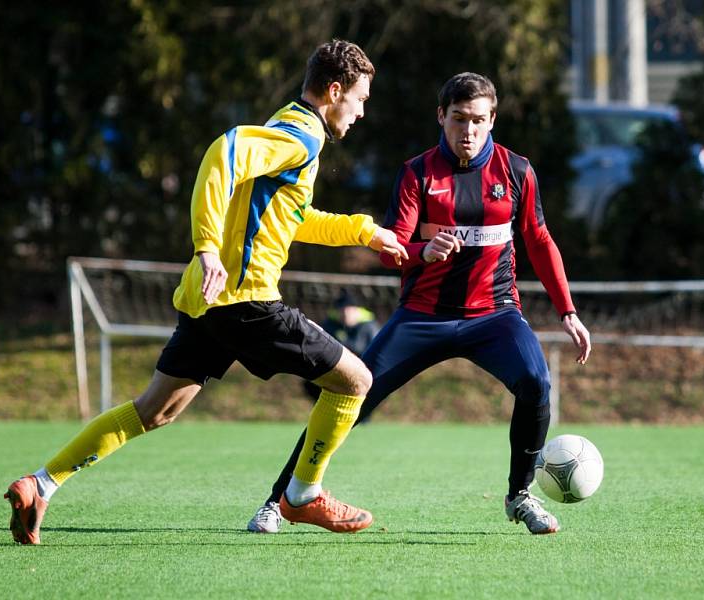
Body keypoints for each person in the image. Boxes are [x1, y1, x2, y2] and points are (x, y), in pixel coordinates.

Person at [3, 39, 408, 545]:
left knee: (156, 409)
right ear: (334, 90)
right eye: (361, 98)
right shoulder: (302, 136)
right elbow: (225, 152)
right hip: (248, 301)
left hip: (209, 301)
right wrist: (207, 248)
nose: (363, 111)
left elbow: (292, 218)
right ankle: (302, 495)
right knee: (354, 381)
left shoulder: (287, 123)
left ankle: (40, 484)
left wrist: (363, 231)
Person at [247, 72, 591, 535]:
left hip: (494, 316)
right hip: (422, 317)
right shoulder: (418, 173)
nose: (467, 130)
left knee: (536, 381)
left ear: (493, 120)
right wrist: (419, 253)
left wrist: (567, 311)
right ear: (440, 117)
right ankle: (278, 499)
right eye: (458, 119)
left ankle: (520, 495)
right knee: (353, 392)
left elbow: (539, 239)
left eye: (477, 121)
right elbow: (395, 246)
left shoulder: (517, 172)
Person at [302, 289, 381, 402]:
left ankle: (363, 417)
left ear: (357, 310)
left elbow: (376, 354)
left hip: (364, 371)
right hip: (335, 371)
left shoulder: (370, 327)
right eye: (342, 309)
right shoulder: (329, 325)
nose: (345, 313)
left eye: (349, 310)